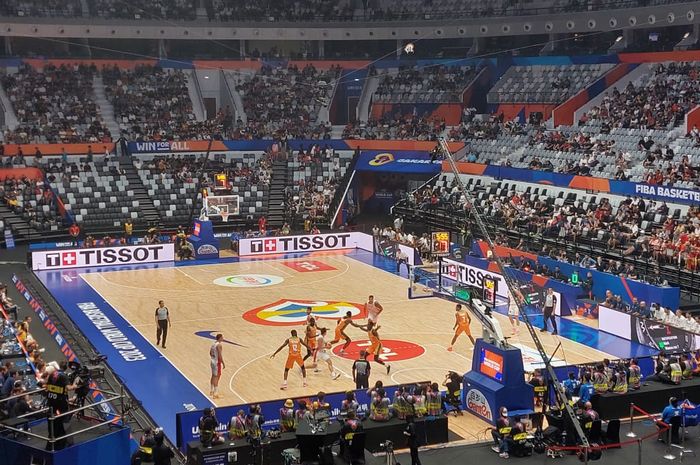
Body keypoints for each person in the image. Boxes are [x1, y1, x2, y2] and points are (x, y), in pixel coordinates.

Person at [45, 364, 76, 450]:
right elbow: (69, 388)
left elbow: (46, 386)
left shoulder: (51, 375)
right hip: (61, 405)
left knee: (52, 424)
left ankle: (51, 442)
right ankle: (64, 443)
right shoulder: (64, 376)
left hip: (51, 403)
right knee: (63, 422)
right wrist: (75, 386)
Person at [209, 334, 225, 398]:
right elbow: (220, 355)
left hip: (212, 361)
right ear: (220, 338)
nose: (223, 338)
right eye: (222, 337)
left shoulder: (213, 344)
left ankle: (211, 391)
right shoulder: (219, 345)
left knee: (213, 375)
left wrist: (213, 357)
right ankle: (215, 393)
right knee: (217, 376)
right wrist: (223, 363)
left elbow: (210, 353)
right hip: (216, 362)